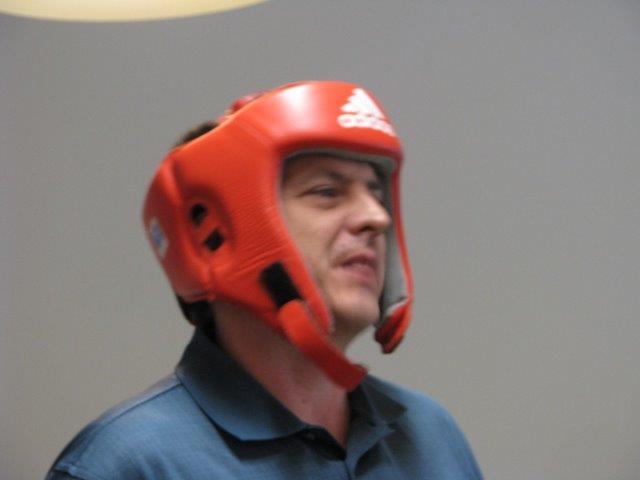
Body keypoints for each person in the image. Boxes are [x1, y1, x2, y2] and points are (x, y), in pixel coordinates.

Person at [46, 81, 483, 479]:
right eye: (327, 192)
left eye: (375, 192)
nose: (376, 217)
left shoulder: (429, 435)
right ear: (214, 236)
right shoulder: (127, 465)